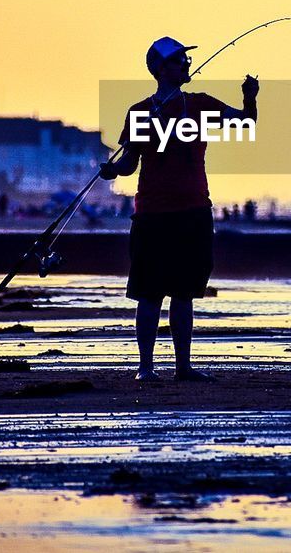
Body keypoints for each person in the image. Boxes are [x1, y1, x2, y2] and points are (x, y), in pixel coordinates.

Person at [100, 36, 258, 382]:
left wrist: (250, 97)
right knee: (149, 293)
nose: (186, 65)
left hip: (194, 211)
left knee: (185, 293)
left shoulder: (200, 105)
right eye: (178, 60)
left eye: (186, 60)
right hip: (152, 214)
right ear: (160, 69)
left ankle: (183, 368)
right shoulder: (140, 111)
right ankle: (145, 368)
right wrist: (112, 171)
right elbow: (129, 163)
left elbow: (246, 123)